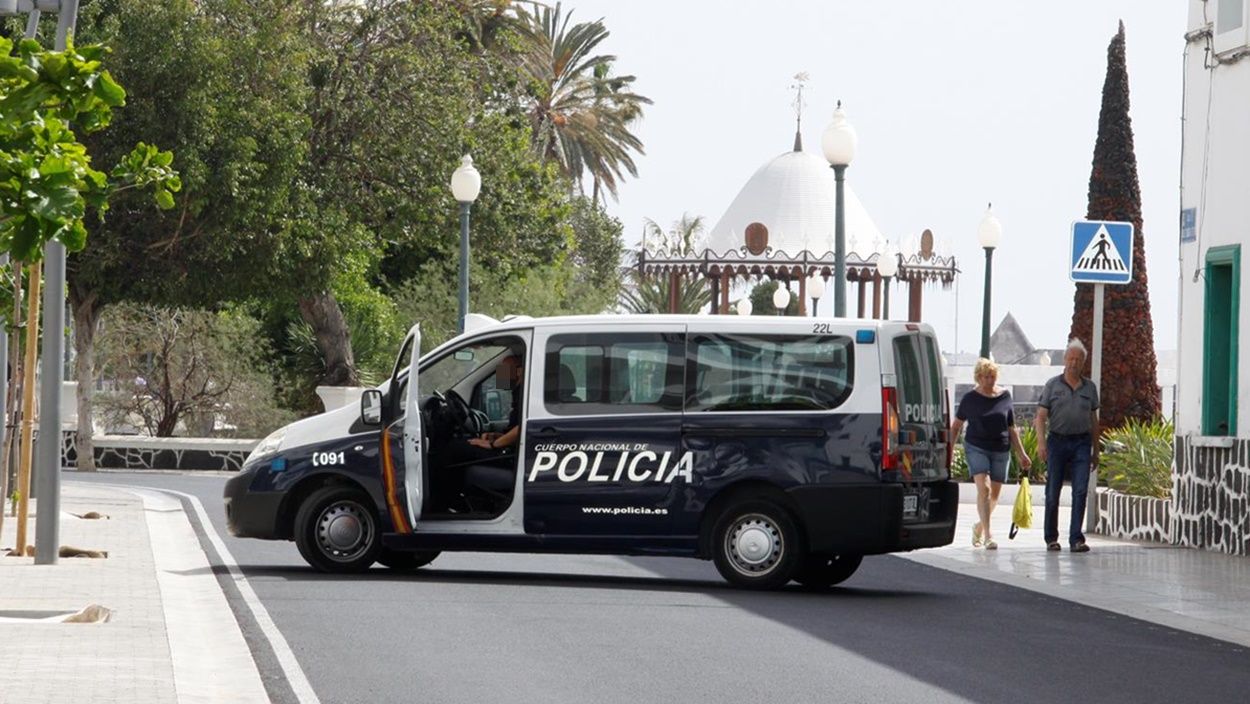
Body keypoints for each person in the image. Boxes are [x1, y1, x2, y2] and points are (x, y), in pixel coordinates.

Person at [951, 358, 1030, 550]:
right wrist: (949, 450)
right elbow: (956, 426)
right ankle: (988, 535)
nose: (990, 380)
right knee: (984, 490)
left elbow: (1011, 428)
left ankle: (979, 527)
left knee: (994, 495)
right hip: (976, 446)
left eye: (992, 376)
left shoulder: (1005, 397)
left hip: (1001, 448)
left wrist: (1022, 453)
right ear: (978, 377)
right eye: (986, 376)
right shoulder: (970, 399)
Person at [1034, 338, 1100, 553]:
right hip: (1057, 442)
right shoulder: (1052, 385)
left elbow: (1094, 420)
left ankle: (1076, 539)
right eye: (1071, 358)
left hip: (1081, 443)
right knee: (1053, 491)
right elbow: (1041, 416)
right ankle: (1051, 538)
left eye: (1078, 360)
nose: (1074, 363)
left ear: (1083, 363)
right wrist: (1041, 443)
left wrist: (1095, 450)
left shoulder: (1090, 388)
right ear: (1064, 360)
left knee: (1080, 491)